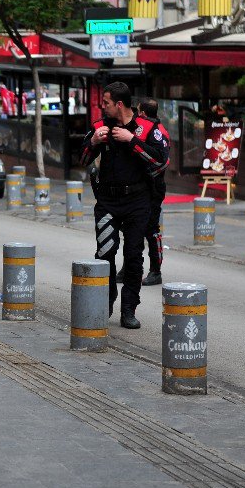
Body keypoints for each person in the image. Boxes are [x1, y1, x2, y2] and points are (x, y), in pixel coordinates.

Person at [80, 82, 167, 329]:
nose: (102, 107)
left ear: (119, 104)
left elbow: (160, 162)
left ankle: (129, 309)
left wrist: (131, 141)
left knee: (133, 257)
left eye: (106, 102)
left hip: (137, 203)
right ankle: (106, 301)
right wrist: (94, 142)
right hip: (107, 202)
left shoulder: (148, 128)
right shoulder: (100, 127)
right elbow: (84, 158)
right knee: (104, 254)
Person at [139, 99, 170, 286]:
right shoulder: (155, 129)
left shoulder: (156, 132)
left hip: (153, 186)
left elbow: (162, 161)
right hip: (142, 186)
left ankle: (155, 271)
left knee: (151, 230)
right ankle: (130, 267)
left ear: (142, 112)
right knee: (132, 229)